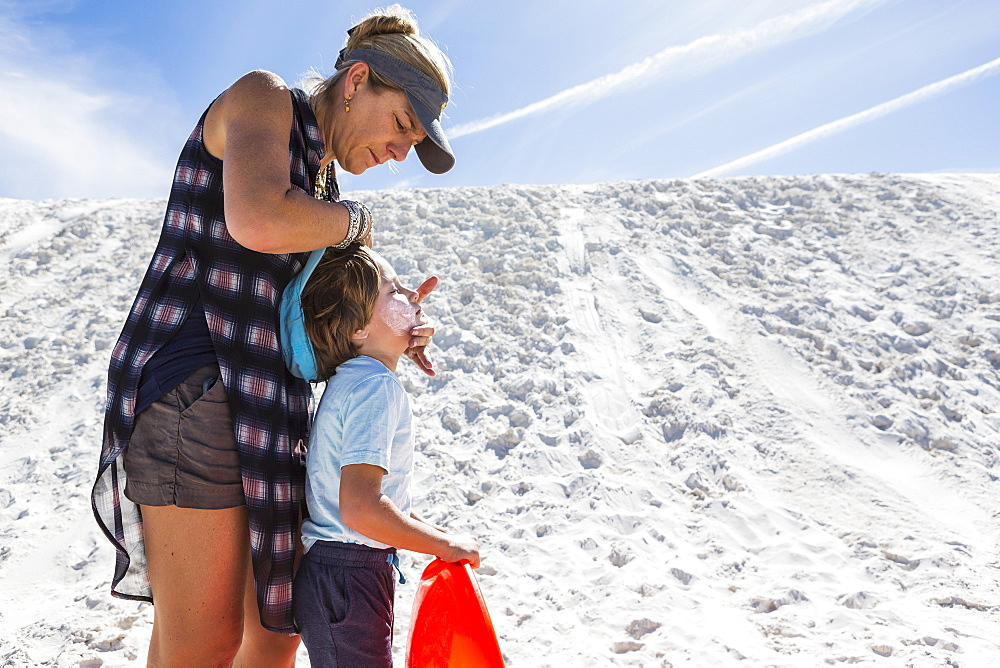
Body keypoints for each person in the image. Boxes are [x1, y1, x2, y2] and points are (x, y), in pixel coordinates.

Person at [90, 5, 455, 665]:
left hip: (269, 407)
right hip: (195, 393)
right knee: (204, 643)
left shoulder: (325, 181)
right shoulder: (265, 100)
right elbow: (258, 218)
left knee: (275, 629)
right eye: (403, 123)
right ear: (356, 80)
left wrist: (397, 320)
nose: (403, 150)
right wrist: (355, 222)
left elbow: (331, 310)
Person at [279, 242, 481, 666]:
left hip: (341, 569)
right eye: (393, 292)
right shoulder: (375, 388)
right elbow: (361, 509)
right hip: (350, 573)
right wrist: (443, 545)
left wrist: (434, 535)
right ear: (358, 330)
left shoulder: (351, 380)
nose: (411, 297)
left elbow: (375, 501)